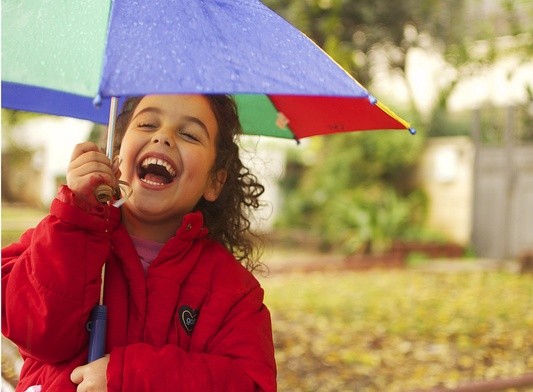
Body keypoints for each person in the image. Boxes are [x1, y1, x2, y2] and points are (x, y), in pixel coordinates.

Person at [2, 94, 277, 391]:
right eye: (147, 124)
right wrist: (77, 220)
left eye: (188, 134)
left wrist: (127, 378)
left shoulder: (235, 292)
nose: (163, 137)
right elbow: (38, 333)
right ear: (116, 156)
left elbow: (249, 383)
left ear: (215, 182)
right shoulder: (62, 230)